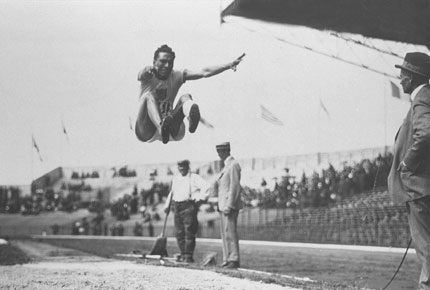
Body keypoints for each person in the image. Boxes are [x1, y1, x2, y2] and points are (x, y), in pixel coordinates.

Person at [135, 44, 245, 144]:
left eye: (170, 62)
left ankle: (190, 119)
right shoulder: (148, 75)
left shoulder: (176, 75)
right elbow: (141, 75)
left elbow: (204, 72)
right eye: (163, 61)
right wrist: (146, 72)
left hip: (171, 129)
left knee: (186, 98)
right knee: (148, 96)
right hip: (146, 128)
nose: (167, 65)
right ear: (154, 62)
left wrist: (229, 65)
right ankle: (161, 127)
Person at [388, 52, 430, 290]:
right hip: (424, 186)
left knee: (426, 248)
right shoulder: (426, 97)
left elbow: (425, 133)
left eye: (403, 73)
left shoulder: (422, 98)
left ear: (413, 76)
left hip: (419, 188)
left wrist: (407, 164)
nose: (400, 77)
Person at [164, 160, 209, 263]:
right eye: (179, 166)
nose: (181, 168)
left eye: (183, 166)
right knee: (179, 232)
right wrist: (167, 205)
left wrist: (199, 198)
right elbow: (172, 192)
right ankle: (183, 254)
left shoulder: (194, 177)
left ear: (188, 166)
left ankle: (188, 256)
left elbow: (206, 187)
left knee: (189, 231)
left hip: (188, 206)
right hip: (177, 206)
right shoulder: (176, 179)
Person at [212, 142, 243, 269]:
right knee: (225, 234)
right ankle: (227, 258)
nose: (219, 154)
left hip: (229, 206)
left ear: (226, 151)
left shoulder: (233, 165)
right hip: (223, 205)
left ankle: (234, 259)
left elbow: (234, 187)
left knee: (230, 233)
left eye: (221, 151)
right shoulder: (226, 166)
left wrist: (229, 205)